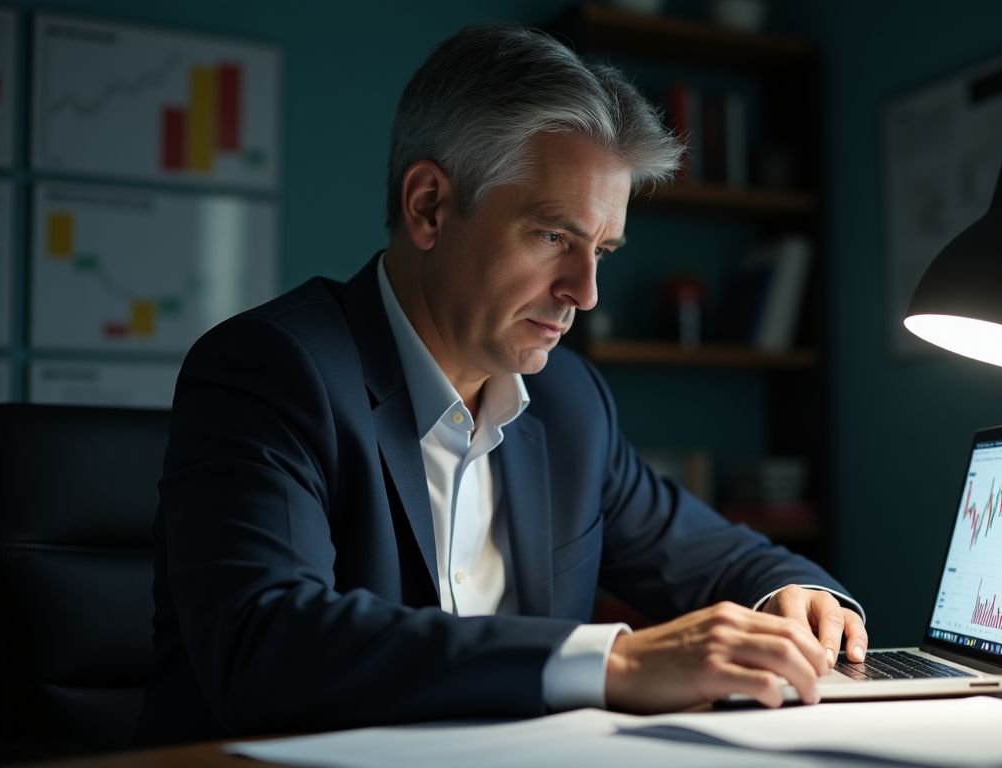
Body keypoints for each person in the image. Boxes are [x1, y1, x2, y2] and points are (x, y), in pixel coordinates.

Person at [137, 23, 866, 746]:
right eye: (553, 236)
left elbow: (726, 558)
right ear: (428, 206)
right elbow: (267, 644)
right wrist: (610, 660)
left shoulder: (570, 401)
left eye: (602, 251)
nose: (585, 293)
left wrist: (797, 599)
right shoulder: (273, 368)